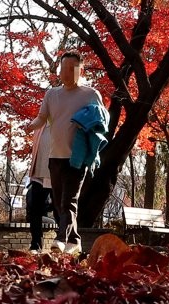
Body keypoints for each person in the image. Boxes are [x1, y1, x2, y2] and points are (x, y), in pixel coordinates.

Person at [27, 52, 104, 256]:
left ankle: (60, 239)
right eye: (63, 68)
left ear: (81, 70)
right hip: (55, 156)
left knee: (69, 199)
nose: (67, 73)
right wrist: (30, 126)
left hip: (77, 157)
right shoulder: (52, 94)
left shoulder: (91, 94)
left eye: (72, 68)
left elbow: (100, 122)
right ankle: (75, 240)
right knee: (60, 200)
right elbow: (42, 117)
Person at [26, 124, 57, 253]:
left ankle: (63, 241)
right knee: (35, 210)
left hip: (57, 175)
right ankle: (35, 244)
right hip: (39, 175)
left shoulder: (63, 121)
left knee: (61, 210)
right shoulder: (40, 125)